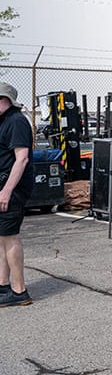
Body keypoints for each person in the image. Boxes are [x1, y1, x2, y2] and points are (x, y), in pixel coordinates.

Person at [0, 82, 34, 307]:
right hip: (2, 187)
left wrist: (7, 190)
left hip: (11, 189)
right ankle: (3, 285)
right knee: (1, 237)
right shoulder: (4, 121)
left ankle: (19, 291)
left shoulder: (16, 121)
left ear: (5, 101)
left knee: (10, 236)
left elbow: (22, 158)